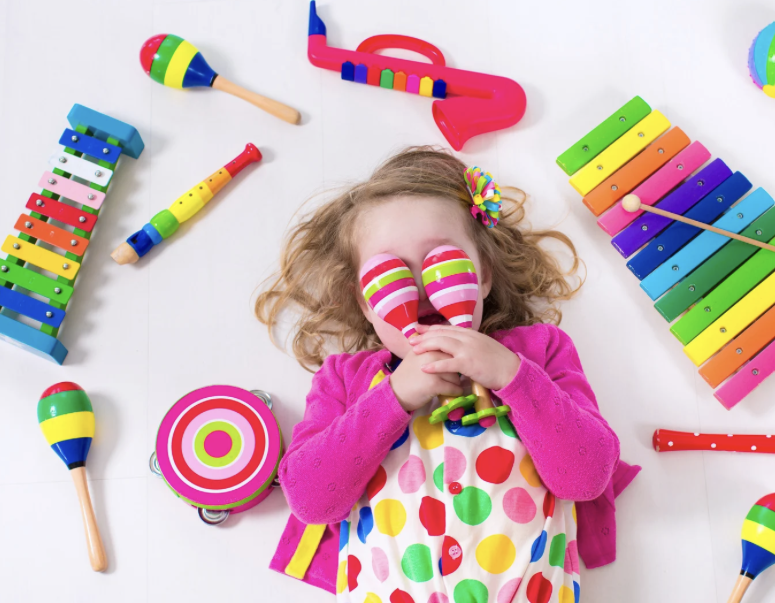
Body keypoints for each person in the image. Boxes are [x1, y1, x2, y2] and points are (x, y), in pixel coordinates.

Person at [259, 147, 639, 602]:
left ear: (482, 276)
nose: (420, 285)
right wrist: (393, 396)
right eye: (390, 273)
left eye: (440, 260)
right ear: (364, 304)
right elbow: (311, 499)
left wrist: (511, 375)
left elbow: (586, 476)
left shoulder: (539, 351)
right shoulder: (346, 379)